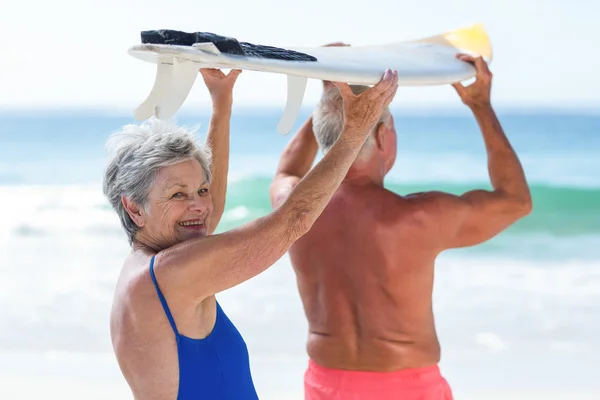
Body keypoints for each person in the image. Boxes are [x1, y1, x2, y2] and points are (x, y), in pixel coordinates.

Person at [102, 66, 399, 399]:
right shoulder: (170, 275)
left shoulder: (153, 262)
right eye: (177, 194)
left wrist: (222, 105)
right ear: (133, 207)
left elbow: (208, 205)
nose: (199, 205)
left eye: (200, 189)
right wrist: (355, 132)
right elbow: (293, 220)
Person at [269, 54, 533, 400]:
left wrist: (330, 96)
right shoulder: (418, 217)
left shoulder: (293, 207)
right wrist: (481, 105)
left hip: (325, 386)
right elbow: (515, 200)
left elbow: (287, 171)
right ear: (383, 135)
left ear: (323, 136)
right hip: (405, 388)